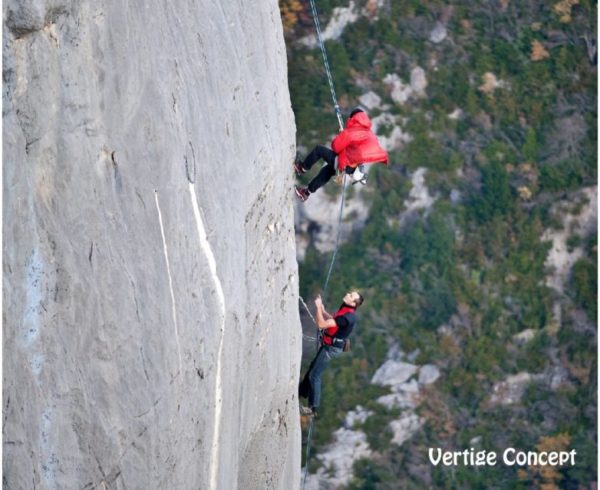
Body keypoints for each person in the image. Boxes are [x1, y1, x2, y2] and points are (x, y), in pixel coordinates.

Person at [294, 108, 389, 202]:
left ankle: (302, 168)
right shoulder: (368, 134)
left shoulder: (354, 131)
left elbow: (335, 146)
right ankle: (306, 192)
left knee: (319, 150)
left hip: (344, 162)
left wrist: (342, 135)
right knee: (327, 170)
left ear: (353, 118)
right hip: (351, 167)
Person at [299, 290, 364, 417]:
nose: (348, 294)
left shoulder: (348, 317)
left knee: (315, 375)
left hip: (331, 349)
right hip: (329, 345)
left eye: (351, 295)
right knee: (313, 367)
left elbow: (321, 324)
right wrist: (323, 311)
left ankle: (313, 409)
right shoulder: (345, 308)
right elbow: (335, 321)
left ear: (353, 303)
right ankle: (302, 391)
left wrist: (318, 307)